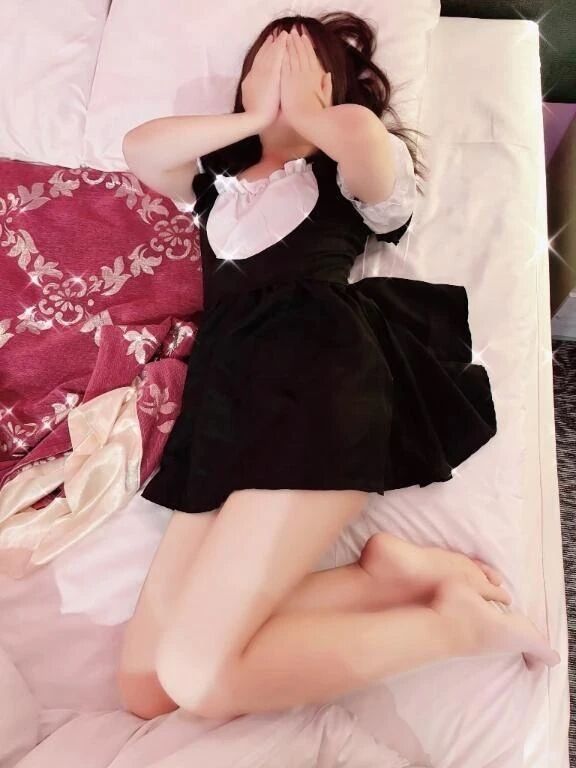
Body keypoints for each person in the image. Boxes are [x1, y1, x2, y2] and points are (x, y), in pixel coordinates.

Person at [118, 12, 560, 722]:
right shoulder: (215, 177)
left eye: (302, 67)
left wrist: (309, 116)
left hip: (319, 385)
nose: (281, 76)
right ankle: (378, 580)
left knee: (197, 678)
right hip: (225, 406)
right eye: (265, 63)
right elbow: (140, 148)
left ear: (333, 88)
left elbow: (363, 142)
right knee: (145, 690)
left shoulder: (350, 166)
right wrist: (255, 118)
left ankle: (453, 625)